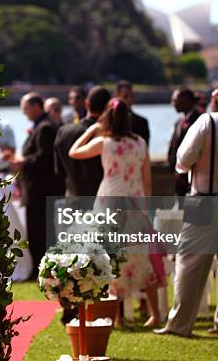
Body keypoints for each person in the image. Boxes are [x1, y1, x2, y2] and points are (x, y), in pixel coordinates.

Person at [155, 77, 218, 337]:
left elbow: (183, 158)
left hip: (205, 200)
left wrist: (185, 168)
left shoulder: (207, 121)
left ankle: (180, 324)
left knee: (189, 265)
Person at [69, 98, 163, 328]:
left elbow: (74, 152)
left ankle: (117, 316)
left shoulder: (104, 142)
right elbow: (147, 180)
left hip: (109, 203)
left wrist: (91, 129)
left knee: (110, 257)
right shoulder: (140, 143)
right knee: (142, 258)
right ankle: (155, 314)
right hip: (135, 204)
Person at [9, 93, 65, 275]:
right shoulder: (42, 125)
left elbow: (44, 157)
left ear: (36, 106)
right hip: (38, 189)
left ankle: (41, 269)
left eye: (25, 107)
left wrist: (22, 161)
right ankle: (42, 268)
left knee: (39, 231)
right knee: (38, 230)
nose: (23, 112)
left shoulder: (45, 127)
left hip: (42, 189)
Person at [54, 86, 111, 196]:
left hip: (72, 198)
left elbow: (59, 171)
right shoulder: (107, 135)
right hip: (99, 200)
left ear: (86, 104)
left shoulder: (63, 131)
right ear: (108, 107)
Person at [168, 87, 201, 196]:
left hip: (191, 179)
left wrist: (184, 173)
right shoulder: (178, 122)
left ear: (186, 100)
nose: (173, 103)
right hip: (177, 177)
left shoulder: (199, 121)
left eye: (175, 99)